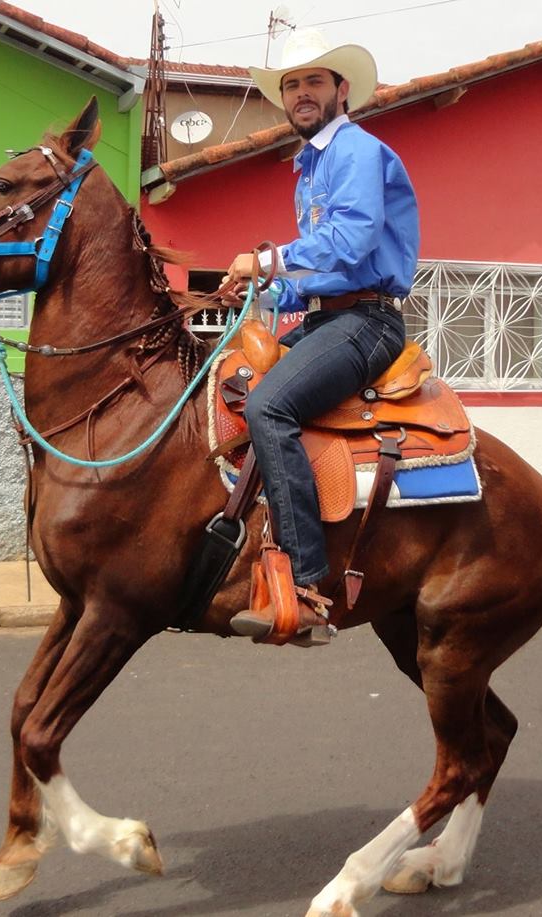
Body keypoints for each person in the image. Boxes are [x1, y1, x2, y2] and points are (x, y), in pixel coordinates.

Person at [223, 29, 420, 641]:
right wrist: (261, 291)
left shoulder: (356, 150)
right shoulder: (308, 169)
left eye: (314, 81)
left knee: (269, 405)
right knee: (230, 387)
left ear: (342, 90)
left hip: (368, 322)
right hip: (326, 316)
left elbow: (353, 240)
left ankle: (307, 588)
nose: (302, 93)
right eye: (291, 85)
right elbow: (316, 278)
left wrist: (265, 261)